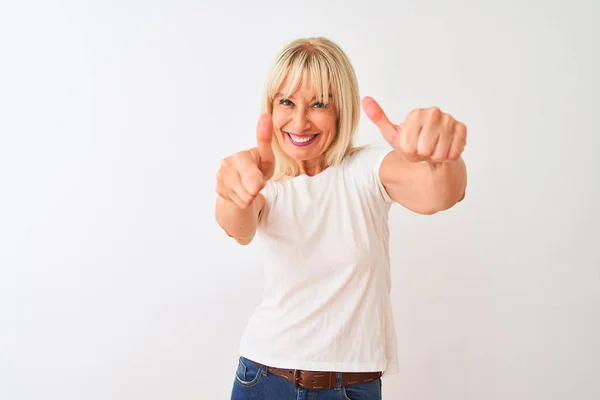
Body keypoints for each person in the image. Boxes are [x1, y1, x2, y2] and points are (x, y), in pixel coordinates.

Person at [216, 37, 467, 400]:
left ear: (341, 110)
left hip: (349, 389)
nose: (299, 121)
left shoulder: (365, 169)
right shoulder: (262, 181)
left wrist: (441, 158)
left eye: (318, 103)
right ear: (271, 107)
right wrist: (232, 193)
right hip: (263, 378)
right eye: (287, 101)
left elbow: (440, 192)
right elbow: (236, 227)